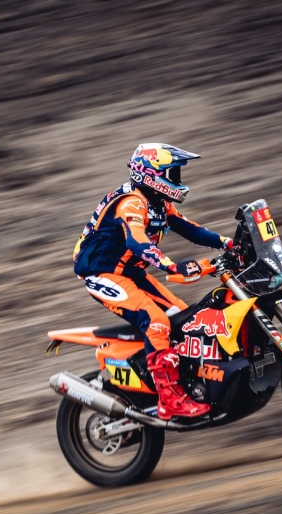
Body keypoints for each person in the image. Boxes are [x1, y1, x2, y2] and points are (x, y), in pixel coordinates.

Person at [73, 143, 233, 420]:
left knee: (185, 320)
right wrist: (170, 265)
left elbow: (192, 230)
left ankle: (187, 384)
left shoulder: (158, 202)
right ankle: (170, 399)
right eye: (172, 174)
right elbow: (137, 241)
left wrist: (230, 244)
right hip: (102, 273)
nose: (178, 180)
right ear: (150, 175)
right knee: (157, 321)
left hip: (131, 273)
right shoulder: (133, 202)